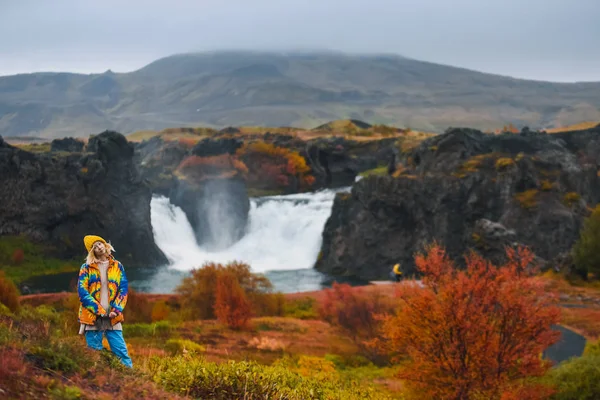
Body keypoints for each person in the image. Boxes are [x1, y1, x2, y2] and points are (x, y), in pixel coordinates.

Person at [77, 235, 133, 368]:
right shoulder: (86, 268)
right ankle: (100, 382)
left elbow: (123, 290)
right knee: (94, 354)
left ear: (105, 244)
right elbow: (82, 292)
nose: (98, 247)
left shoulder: (117, 266)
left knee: (121, 352)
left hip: (113, 317)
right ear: (92, 252)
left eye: (99, 244)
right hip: (93, 317)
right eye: (94, 247)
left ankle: (132, 379)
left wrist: (116, 309)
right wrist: (100, 311)